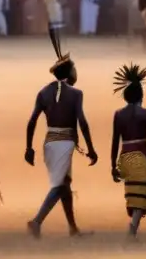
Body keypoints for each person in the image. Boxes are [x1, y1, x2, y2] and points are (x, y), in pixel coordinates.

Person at [24, 26, 97, 238]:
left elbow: (31, 122)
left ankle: (73, 229)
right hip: (65, 143)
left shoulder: (43, 92)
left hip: (49, 142)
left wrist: (29, 148)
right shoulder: (76, 94)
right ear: (69, 72)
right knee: (59, 185)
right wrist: (91, 149)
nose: (76, 72)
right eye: (74, 68)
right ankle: (36, 221)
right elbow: (82, 122)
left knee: (64, 185)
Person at [109, 63, 146, 238]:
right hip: (142, 158)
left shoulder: (118, 115)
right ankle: (132, 227)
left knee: (134, 194)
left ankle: (133, 226)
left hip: (124, 158)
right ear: (141, 94)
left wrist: (113, 166)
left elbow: (115, 141)